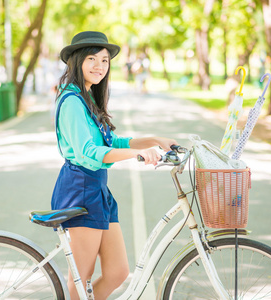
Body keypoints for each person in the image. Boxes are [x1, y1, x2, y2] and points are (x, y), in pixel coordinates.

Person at [51, 31, 178, 300]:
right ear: (76, 61)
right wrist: (137, 155)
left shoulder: (88, 98)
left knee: (117, 272)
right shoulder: (72, 101)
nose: (99, 66)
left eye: (105, 60)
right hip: (79, 190)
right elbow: (88, 152)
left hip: (98, 189)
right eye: (92, 59)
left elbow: (112, 140)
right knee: (80, 276)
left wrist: (154, 140)